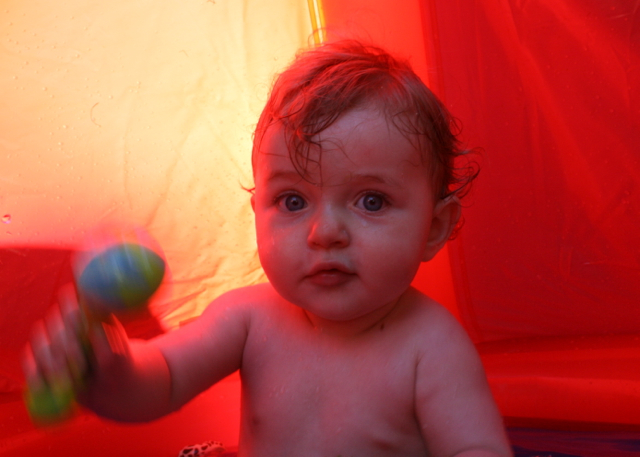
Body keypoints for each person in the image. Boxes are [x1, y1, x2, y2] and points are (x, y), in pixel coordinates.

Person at [23, 40, 513, 457]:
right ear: (257, 212)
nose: (325, 232)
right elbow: (162, 380)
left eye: (371, 200)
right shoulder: (247, 319)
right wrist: (109, 370)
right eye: (293, 201)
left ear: (434, 227)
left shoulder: (432, 347)